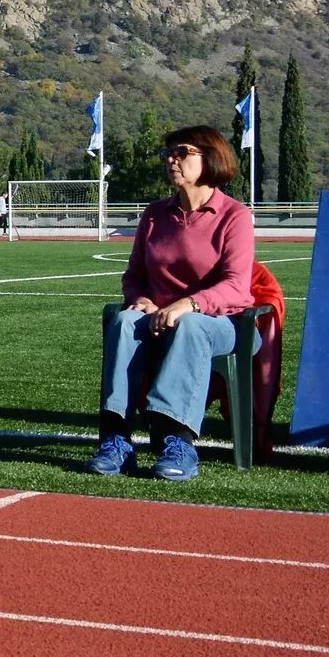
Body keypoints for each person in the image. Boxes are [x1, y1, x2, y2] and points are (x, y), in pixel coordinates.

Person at [90, 124, 256, 482]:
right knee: (121, 321)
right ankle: (116, 439)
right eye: (167, 153)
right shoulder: (155, 215)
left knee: (192, 327)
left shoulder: (234, 216)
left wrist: (189, 304)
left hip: (223, 324)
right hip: (158, 320)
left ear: (210, 157)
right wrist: (141, 299)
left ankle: (177, 441)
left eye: (181, 152)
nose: (171, 160)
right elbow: (133, 275)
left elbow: (237, 286)